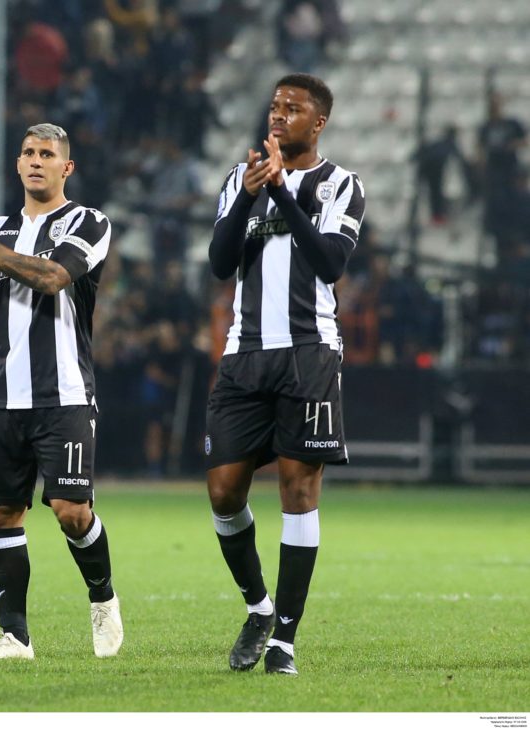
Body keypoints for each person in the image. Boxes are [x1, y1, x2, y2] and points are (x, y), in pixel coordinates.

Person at [0, 123, 122, 661]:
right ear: (17, 164)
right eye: (28, 152)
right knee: (1, 514)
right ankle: (14, 637)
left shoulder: (89, 222)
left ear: (67, 167)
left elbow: (52, 277)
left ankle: (102, 596)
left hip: (65, 393)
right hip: (2, 396)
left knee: (71, 510)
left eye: (47, 154)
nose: (36, 160)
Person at [205, 73, 365, 675]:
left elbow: (329, 262)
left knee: (298, 492)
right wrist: (250, 194)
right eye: (274, 106)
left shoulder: (341, 185)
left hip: (309, 354)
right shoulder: (237, 181)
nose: (278, 115)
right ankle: (259, 607)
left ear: (317, 122)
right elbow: (220, 263)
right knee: (224, 493)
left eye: (292, 108)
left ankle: (285, 642)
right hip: (244, 354)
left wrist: (282, 194)